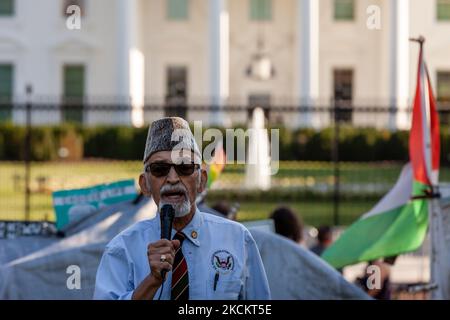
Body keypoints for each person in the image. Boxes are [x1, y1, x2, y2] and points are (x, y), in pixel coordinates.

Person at [94, 117, 271, 300]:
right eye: (159, 169)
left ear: (202, 180)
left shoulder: (237, 239)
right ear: (145, 184)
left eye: (184, 167)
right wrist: (152, 281)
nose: (172, 178)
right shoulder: (122, 249)